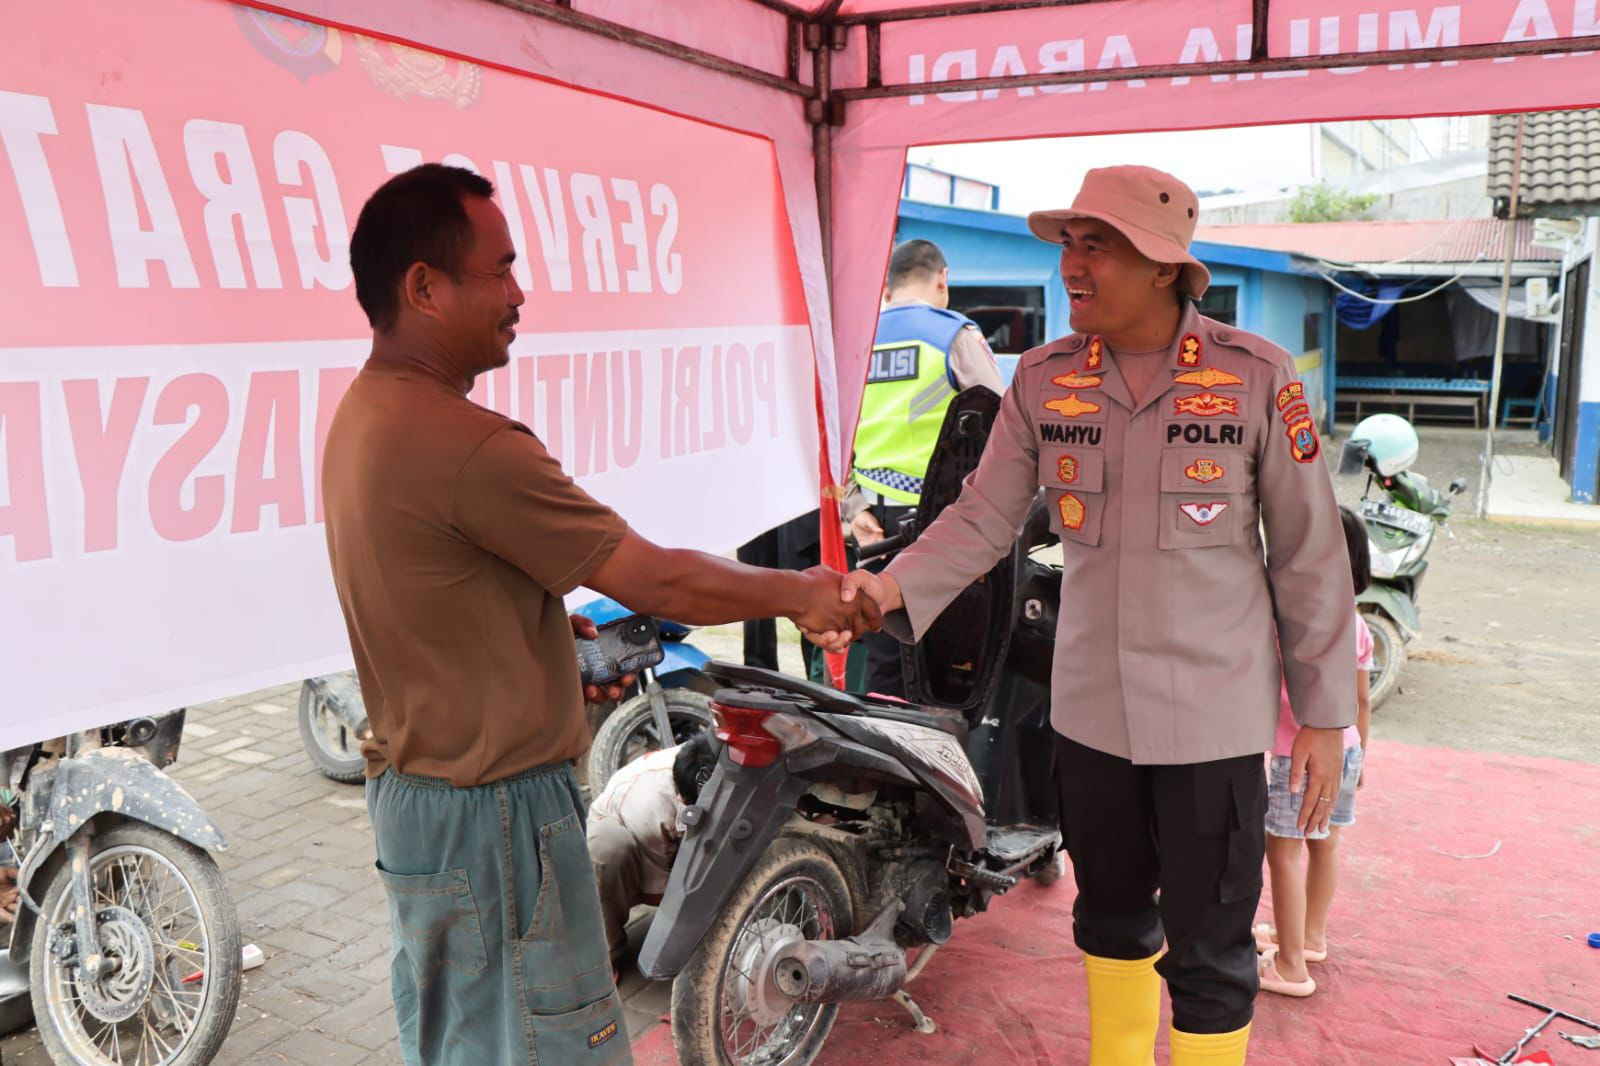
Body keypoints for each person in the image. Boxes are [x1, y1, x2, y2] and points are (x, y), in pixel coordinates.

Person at [322, 164, 874, 1066]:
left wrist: (539, 636)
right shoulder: (468, 446)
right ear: (423, 285)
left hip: (421, 810)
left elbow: (431, 589)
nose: (519, 291)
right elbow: (661, 583)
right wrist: (805, 592)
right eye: (498, 269)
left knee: (466, 1042)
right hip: (494, 819)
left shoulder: (362, 417)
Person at [835, 165, 1356, 1066]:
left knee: (1211, 949)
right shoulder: (1042, 380)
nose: (1072, 265)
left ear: (1162, 267)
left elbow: (1310, 555)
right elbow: (980, 518)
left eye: (1096, 245)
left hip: (1214, 715)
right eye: (1068, 245)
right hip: (1091, 714)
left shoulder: (1255, 377)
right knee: (1110, 919)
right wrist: (886, 588)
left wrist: (1324, 713)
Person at [844, 238, 1002, 697]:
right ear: (942, 280)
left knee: (885, 655)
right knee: (950, 658)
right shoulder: (954, 335)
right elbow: (1006, 426)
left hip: (871, 524)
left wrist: (853, 511)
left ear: (887, 290)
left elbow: (831, 438)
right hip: (943, 521)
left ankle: (886, 758)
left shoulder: (856, 339)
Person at [1255, 506, 1373, 997]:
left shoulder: (1290, 625)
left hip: (1296, 760)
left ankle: (1290, 967)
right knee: (1325, 845)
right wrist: (1362, 756)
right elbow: (1362, 699)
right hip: (1346, 749)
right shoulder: (1355, 623)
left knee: (1282, 855)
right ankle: (1309, 936)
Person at [585, 733, 717, 966]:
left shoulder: (710, 762)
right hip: (629, 835)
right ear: (680, 796)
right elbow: (670, 890)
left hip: (668, 833)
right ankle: (607, 957)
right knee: (608, 852)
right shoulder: (651, 803)